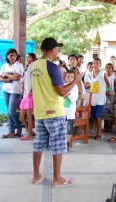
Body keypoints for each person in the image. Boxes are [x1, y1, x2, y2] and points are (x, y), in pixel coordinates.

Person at [30, 37, 80, 187]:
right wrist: (76, 80)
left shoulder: (33, 66)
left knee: (38, 144)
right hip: (54, 112)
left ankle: (36, 175)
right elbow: (61, 91)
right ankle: (57, 179)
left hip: (39, 112)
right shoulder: (53, 67)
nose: (58, 51)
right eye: (57, 48)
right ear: (51, 50)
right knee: (58, 145)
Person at [0, 48, 24, 138]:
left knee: (11, 111)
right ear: (7, 56)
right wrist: (10, 77)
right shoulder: (4, 66)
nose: (12, 57)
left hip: (15, 91)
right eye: (10, 55)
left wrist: (7, 75)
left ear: (16, 56)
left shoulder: (19, 65)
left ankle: (19, 126)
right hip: (6, 90)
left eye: (14, 55)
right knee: (9, 112)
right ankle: (11, 131)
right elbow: (0, 78)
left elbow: (17, 78)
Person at [86, 57, 109, 139]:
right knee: (93, 116)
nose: (95, 65)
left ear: (100, 65)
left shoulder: (103, 74)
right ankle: (96, 131)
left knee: (97, 115)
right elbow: (89, 84)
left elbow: (108, 85)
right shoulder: (90, 74)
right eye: (94, 63)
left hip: (100, 98)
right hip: (93, 98)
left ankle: (99, 132)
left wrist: (104, 90)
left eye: (97, 63)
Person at [63, 70, 78, 149]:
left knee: (69, 128)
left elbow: (73, 98)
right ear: (65, 77)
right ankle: (63, 141)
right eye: (68, 76)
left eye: (72, 77)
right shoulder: (63, 85)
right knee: (62, 127)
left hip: (70, 112)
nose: (69, 78)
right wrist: (66, 94)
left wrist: (65, 94)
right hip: (62, 111)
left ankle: (67, 142)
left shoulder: (75, 87)